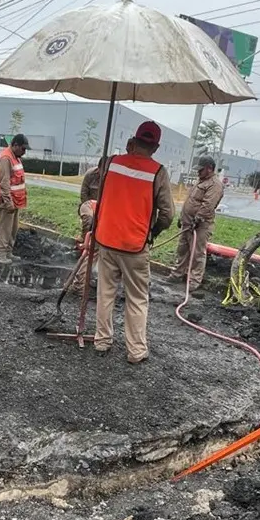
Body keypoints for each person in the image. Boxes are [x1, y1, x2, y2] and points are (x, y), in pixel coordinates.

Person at [92, 121, 174, 364]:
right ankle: (136, 351)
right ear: (156, 147)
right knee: (137, 298)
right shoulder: (158, 172)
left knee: (105, 293)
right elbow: (168, 214)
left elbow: (101, 196)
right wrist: (153, 231)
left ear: (134, 141)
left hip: (106, 240)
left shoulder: (113, 163)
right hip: (135, 245)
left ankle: (101, 340)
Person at [69, 139, 134, 294]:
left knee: (109, 251)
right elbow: (84, 195)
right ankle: (79, 285)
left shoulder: (115, 179)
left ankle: (105, 281)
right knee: (93, 246)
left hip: (108, 216)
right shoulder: (91, 175)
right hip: (90, 208)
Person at [171, 155, 225, 287]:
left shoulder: (215, 185)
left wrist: (198, 219)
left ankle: (194, 282)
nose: (198, 172)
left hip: (200, 226)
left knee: (197, 253)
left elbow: (208, 205)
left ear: (210, 169)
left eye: (201, 170)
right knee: (182, 250)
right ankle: (177, 274)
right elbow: (191, 200)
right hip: (188, 223)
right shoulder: (200, 181)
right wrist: (182, 218)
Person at [0, 133, 28, 264]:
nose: (24, 152)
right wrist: (8, 202)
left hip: (16, 201)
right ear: (15, 145)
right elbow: (5, 183)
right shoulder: (6, 158)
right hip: (6, 201)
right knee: (4, 228)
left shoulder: (16, 157)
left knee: (13, 228)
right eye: (23, 149)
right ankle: (0, 254)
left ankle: (8, 251)